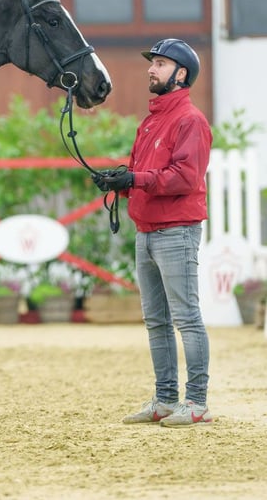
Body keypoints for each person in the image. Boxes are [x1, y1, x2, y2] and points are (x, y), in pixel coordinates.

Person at [92, 39, 213, 427]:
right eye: (153, 63)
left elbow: (184, 177)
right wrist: (120, 182)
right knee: (157, 321)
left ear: (181, 74)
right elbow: (147, 174)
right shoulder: (152, 121)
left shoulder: (190, 120)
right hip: (146, 231)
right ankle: (164, 398)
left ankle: (195, 402)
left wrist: (135, 178)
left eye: (160, 64)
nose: (151, 69)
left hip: (176, 231)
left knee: (187, 318)